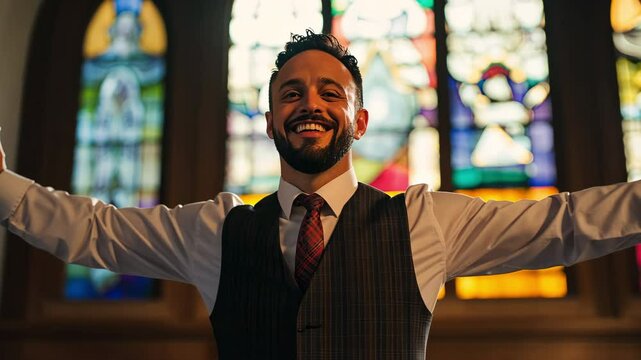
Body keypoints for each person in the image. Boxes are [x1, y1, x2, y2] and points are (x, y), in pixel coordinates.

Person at [1, 30, 641, 359]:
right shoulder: (216, 231)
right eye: (292, 93)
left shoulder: (424, 222)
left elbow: (564, 223)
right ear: (271, 118)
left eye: (331, 93)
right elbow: (95, 230)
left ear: (360, 121)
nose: (311, 104)